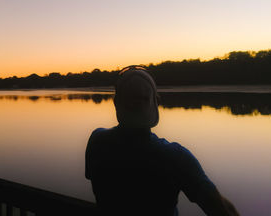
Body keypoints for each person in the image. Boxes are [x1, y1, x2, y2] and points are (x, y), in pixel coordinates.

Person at [85, 65, 239, 216]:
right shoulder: (175, 157)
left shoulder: (97, 141)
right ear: (157, 102)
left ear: (116, 102)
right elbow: (223, 211)